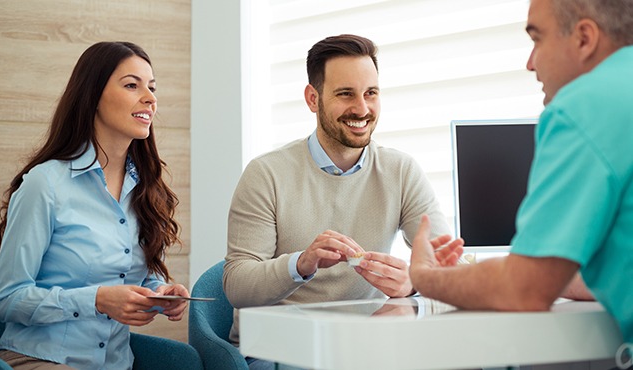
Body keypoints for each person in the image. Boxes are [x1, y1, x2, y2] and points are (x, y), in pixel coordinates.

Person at [409, 0, 633, 367]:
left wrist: (424, 276)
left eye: (538, 40)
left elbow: (525, 290)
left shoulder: (585, 106)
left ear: (584, 38)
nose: (531, 63)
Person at [223, 34, 461, 364]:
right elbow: (237, 286)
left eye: (371, 93)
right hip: (282, 351)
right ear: (312, 98)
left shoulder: (401, 171)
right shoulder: (266, 174)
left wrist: (413, 284)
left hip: (366, 348)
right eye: (346, 94)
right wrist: (300, 264)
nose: (362, 109)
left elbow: (454, 270)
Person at [0, 41, 190, 370]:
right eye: (132, 85)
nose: (150, 99)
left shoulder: (148, 191)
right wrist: (96, 300)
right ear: (93, 95)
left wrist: (161, 293)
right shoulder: (46, 184)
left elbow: (138, 280)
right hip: (38, 358)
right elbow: (7, 298)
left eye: (152, 88)